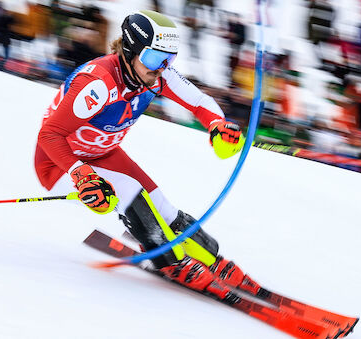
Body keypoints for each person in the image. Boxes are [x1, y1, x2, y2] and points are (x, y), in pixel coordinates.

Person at [34, 10, 252, 298]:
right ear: (130, 50)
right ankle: (169, 262)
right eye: (153, 58)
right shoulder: (99, 83)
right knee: (129, 190)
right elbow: (49, 135)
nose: (161, 67)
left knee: (160, 203)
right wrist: (81, 175)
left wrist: (217, 124)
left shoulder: (154, 75)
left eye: (168, 59)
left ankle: (210, 257)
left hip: (103, 154)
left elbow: (199, 101)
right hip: (59, 163)